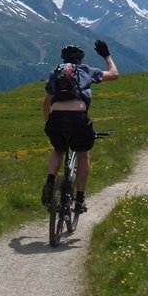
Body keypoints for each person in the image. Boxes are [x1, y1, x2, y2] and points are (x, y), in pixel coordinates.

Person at [41, 40, 119, 213]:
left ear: (63, 59)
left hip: (56, 119)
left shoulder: (54, 74)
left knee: (58, 149)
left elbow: (46, 103)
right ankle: (79, 201)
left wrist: (48, 124)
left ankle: (50, 181)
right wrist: (106, 55)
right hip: (78, 119)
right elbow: (114, 75)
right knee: (82, 154)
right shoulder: (86, 71)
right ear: (80, 60)